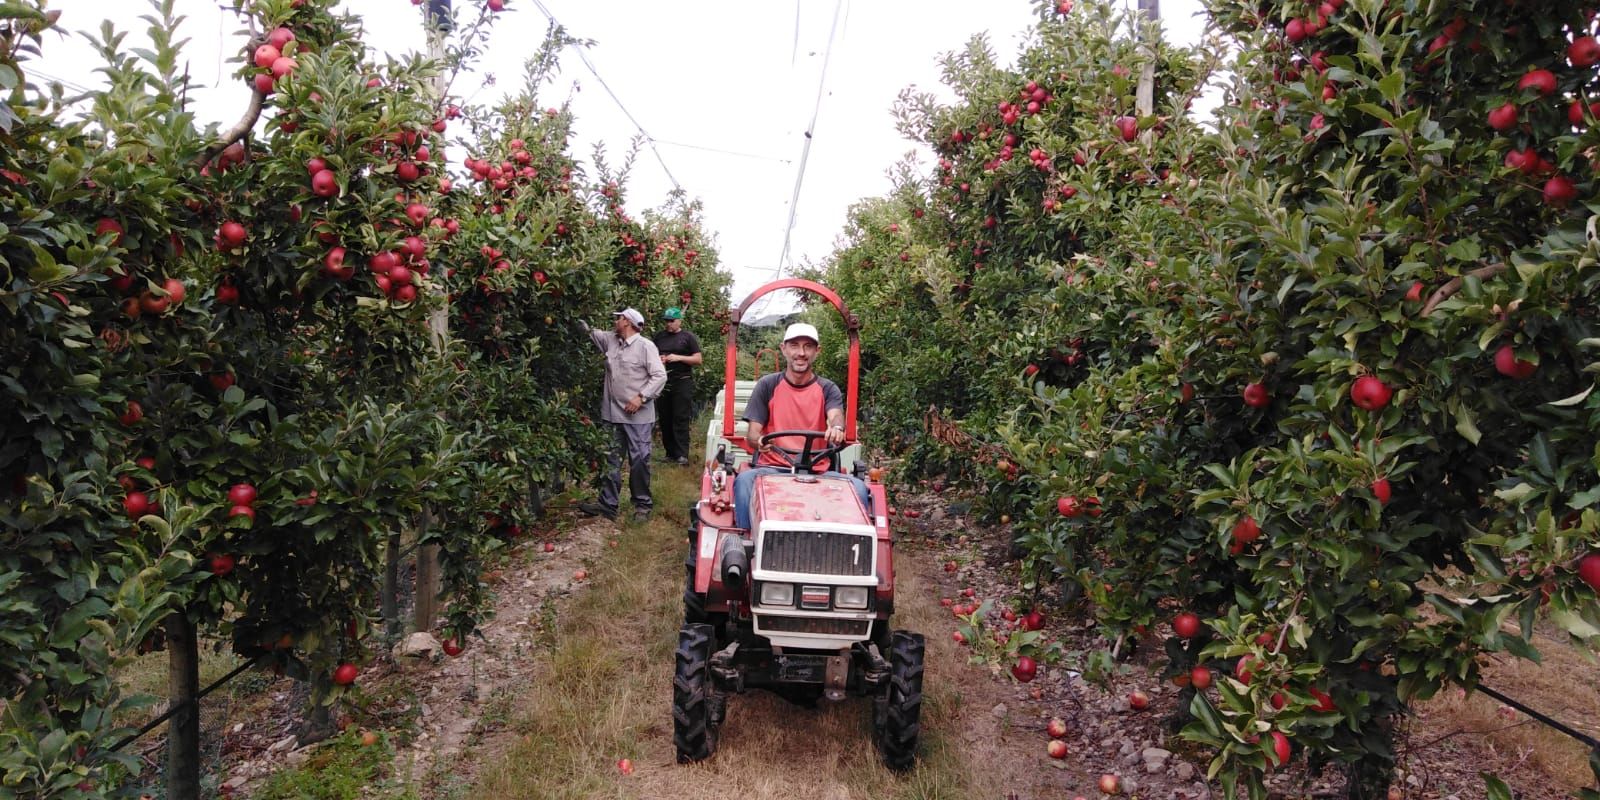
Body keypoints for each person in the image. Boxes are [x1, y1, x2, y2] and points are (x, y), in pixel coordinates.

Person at [732, 322, 871, 530]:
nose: (801, 353)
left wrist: (837, 428)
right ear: (784, 349)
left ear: (817, 351)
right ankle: (746, 537)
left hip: (817, 471)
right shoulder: (768, 385)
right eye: (795, 346)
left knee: (858, 488)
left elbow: (836, 416)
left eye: (808, 346)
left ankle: (850, 544)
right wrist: (758, 441)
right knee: (744, 481)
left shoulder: (827, 388)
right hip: (773, 469)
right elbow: (753, 433)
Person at [578, 308, 668, 522]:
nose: (615, 321)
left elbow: (659, 376)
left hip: (638, 417)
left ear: (627, 321)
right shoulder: (610, 340)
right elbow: (588, 331)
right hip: (612, 415)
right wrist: (573, 313)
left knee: (639, 460)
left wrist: (641, 397)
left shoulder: (645, 346)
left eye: (618, 318)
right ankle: (607, 504)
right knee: (610, 459)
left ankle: (642, 504)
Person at [652, 307, 703, 466]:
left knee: (680, 417)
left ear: (679, 321)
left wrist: (678, 358)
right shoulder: (659, 337)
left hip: (682, 381)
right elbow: (651, 355)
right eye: (666, 321)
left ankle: (682, 454)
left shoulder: (687, 337)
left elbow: (698, 359)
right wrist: (660, 359)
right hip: (663, 382)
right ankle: (670, 453)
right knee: (665, 417)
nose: (669, 324)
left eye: (672, 321)